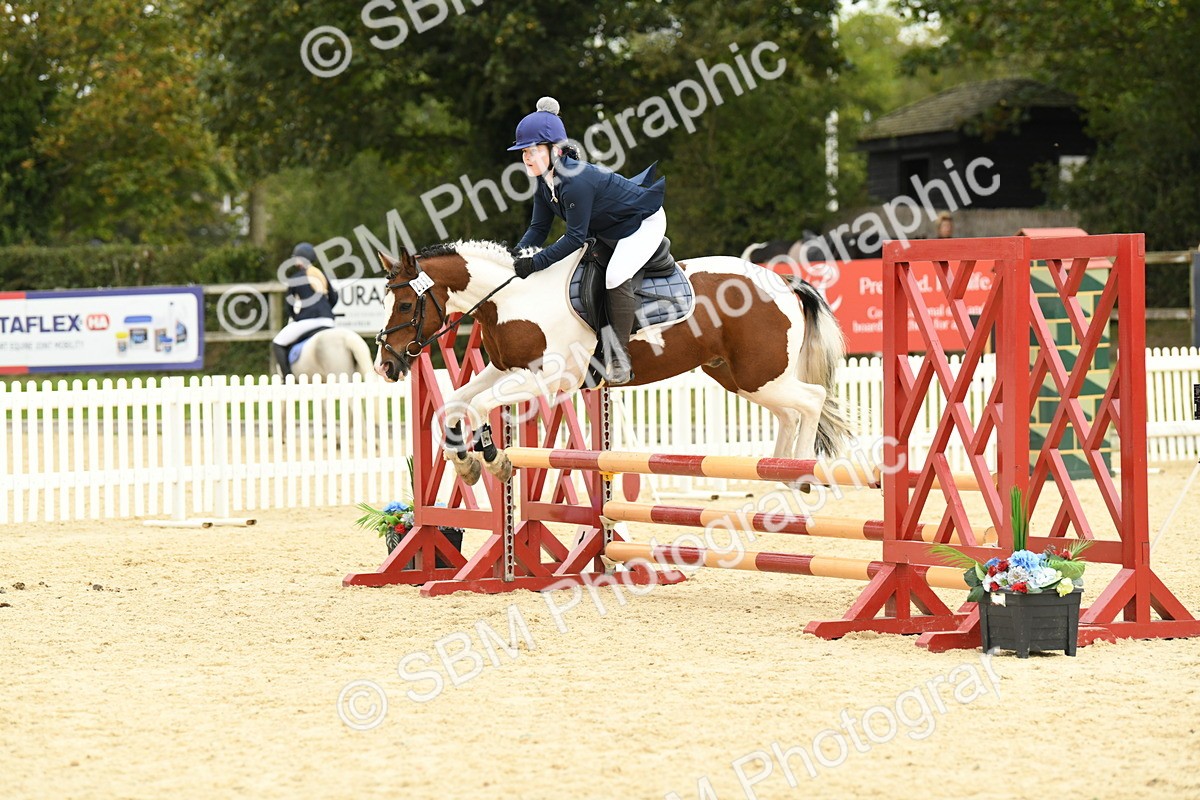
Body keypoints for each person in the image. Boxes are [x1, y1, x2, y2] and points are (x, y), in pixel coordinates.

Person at [509, 96, 666, 386]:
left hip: (641, 224)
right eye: (523, 152)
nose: (526, 158)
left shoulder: (576, 181)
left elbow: (574, 238)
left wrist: (534, 263)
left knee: (616, 275)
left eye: (532, 150)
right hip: (607, 228)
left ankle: (619, 358)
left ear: (554, 150)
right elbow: (538, 229)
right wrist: (514, 257)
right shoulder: (544, 182)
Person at [271, 242, 338, 377]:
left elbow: (289, 305)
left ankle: (287, 378)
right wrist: (325, 312)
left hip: (307, 321)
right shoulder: (321, 275)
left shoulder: (295, 278)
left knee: (277, 343)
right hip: (328, 321)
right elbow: (334, 298)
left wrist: (296, 317)